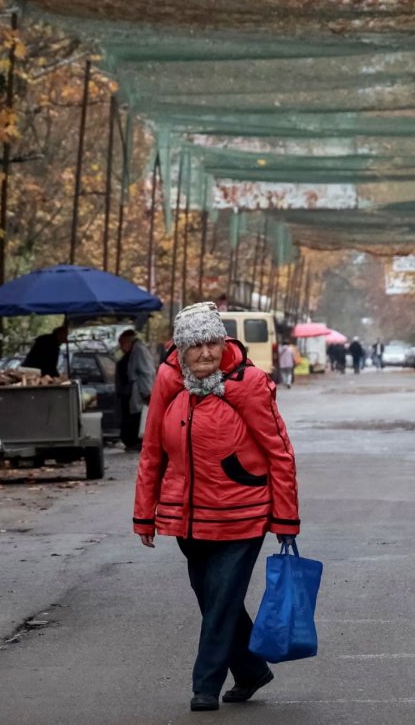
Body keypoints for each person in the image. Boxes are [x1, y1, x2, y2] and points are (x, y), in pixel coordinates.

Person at [133, 302, 300, 712]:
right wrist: (145, 513)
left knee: (222, 597)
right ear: (180, 350)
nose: (206, 353)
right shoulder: (168, 379)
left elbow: (279, 452)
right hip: (186, 515)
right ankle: (250, 671)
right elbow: (153, 448)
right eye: (196, 346)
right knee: (214, 598)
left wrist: (285, 517)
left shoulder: (249, 381)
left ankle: (204, 686)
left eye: (213, 343)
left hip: (243, 513)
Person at [116, 329, 156, 451]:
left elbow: (147, 373)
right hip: (132, 392)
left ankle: (137, 442)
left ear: (128, 342)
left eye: (122, 343)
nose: (121, 347)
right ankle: (132, 442)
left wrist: (147, 392)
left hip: (139, 392)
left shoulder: (139, 351)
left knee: (138, 418)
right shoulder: (134, 351)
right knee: (133, 417)